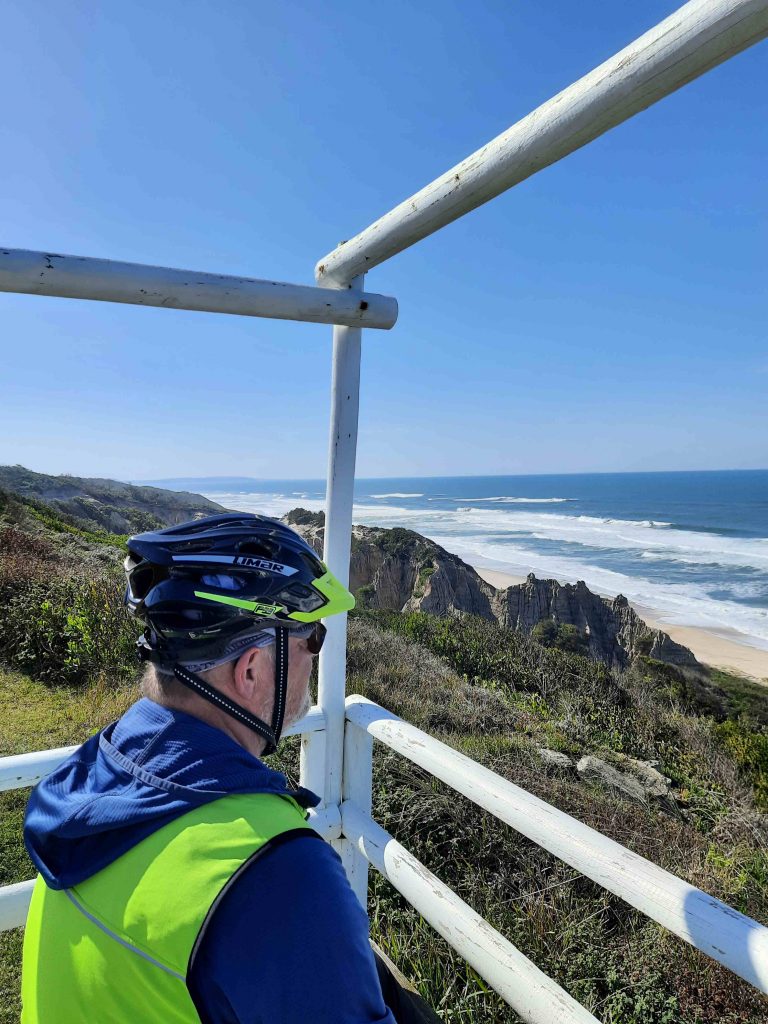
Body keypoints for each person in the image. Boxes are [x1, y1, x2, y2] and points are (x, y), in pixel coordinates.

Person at [20, 512, 417, 1023]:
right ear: (251, 670)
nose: (315, 655)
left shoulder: (91, 776)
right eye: (311, 639)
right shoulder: (279, 875)